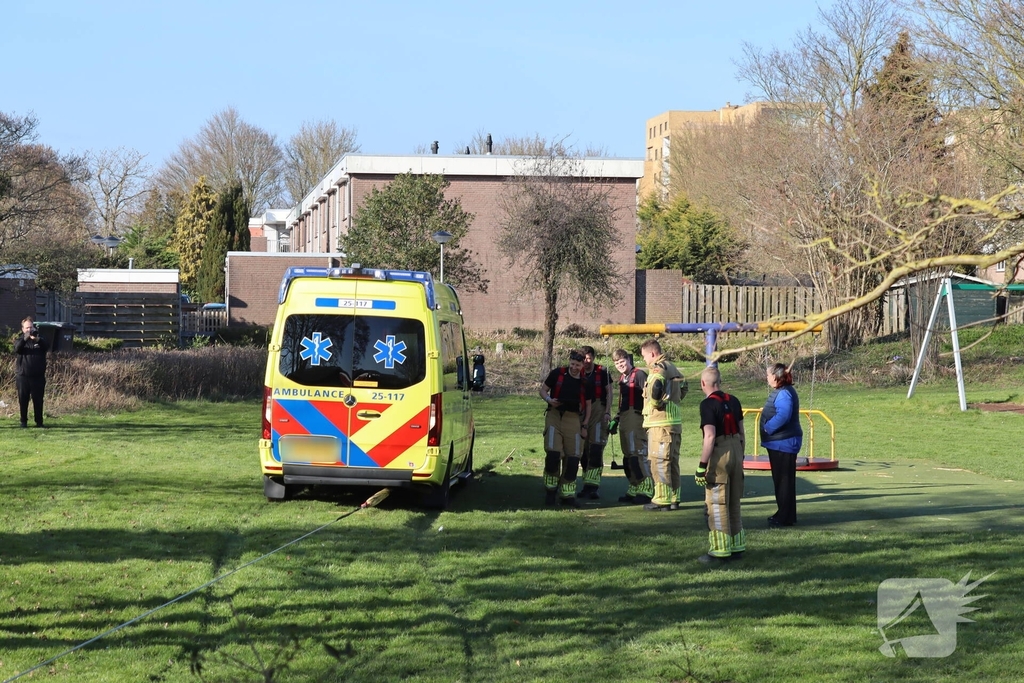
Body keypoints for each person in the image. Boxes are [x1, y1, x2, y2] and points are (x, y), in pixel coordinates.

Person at [695, 366, 745, 564]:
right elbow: (742, 432)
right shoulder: (734, 400)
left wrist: (702, 466)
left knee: (717, 503)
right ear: (720, 382)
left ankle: (720, 550)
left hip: (720, 453)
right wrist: (740, 456)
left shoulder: (707, 405)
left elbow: (710, 436)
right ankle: (737, 545)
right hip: (737, 449)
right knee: (734, 501)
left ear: (703, 383)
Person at [539, 350, 593, 507]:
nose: (574, 368)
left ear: (583, 365)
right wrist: (549, 400)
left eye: (578, 365)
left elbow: (588, 406)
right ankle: (550, 492)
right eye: (572, 364)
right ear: (569, 361)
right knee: (553, 455)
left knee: (573, 459)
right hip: (554, 415)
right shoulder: (557, 374)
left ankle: (567, 495)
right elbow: (543, 390)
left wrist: (585, 425)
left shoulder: (585, 382)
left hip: (574, 419)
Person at [640, 338, 687, 511]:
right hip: (674, 423)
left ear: (652, 353)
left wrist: (656, 404)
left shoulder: (657, 368)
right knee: (672, 462)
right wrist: (675, 400)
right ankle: (674, 497)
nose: (644, 360)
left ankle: (662, 499)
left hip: (660, 423)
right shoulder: (672, 367)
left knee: (659, 462)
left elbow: (656, 386)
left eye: (644, 356)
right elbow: (685, 386)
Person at [761, 363, 803, 528]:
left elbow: (783, 415)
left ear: (775, 376)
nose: (767, 377)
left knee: (784, 482)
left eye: (768, 375)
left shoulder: (784, 393)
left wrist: (768, 427)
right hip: (781, 442)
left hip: (783, 443)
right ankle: (784, 514)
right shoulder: (782, 391)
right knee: (782, 481)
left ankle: (785, 517)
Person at [611, 349, 654, 505]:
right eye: (617, 363)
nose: (620, 365)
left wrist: (648, 418)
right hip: (624, 418)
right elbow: (623, 401)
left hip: (636, 417)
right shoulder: (622, 378)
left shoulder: (640, 375)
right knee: (628, 455)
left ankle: (646, 487)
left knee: (637, 453)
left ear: (628, 360)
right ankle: (635, 486)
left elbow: (650, 397)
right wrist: (616, 419)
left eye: (622, 362)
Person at [579, 345, 612, 499]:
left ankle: (593, 486)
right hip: (582, 411)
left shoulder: (602, 372)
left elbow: (609, 393)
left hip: (598, 410)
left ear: (593, 357)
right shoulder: (577, 371)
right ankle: (586, 483)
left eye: (589, 358)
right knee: (583, 451)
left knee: (596, 448)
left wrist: (607, 412)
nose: (586, 361)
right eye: (584, 358)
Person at [14, 316, 49, 428]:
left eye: (31, 327)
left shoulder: (40, 340)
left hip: (38, 377)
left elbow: (47, 347)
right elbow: (17, 349)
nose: (29, 330)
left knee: (38, 400)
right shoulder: (20, 340)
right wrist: (25, 338)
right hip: (23, 376)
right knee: (23, 400)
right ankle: (23, 421)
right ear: (23, 329)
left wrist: (37, 339)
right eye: (27, 328)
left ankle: (39, 422)